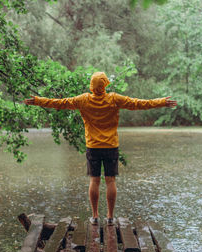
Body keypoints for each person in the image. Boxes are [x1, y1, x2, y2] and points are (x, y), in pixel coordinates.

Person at [24, 72, 177, 225]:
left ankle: (95, 216)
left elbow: (59, 103)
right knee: (110, 180)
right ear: (104, 85)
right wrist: (161, 102)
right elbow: (138, 104)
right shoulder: (114, 99)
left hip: (93, 147)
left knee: (94, 180)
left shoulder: (83, 100)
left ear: (92, 86)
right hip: (111, 146)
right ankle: (110, 217)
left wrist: (38, 100)